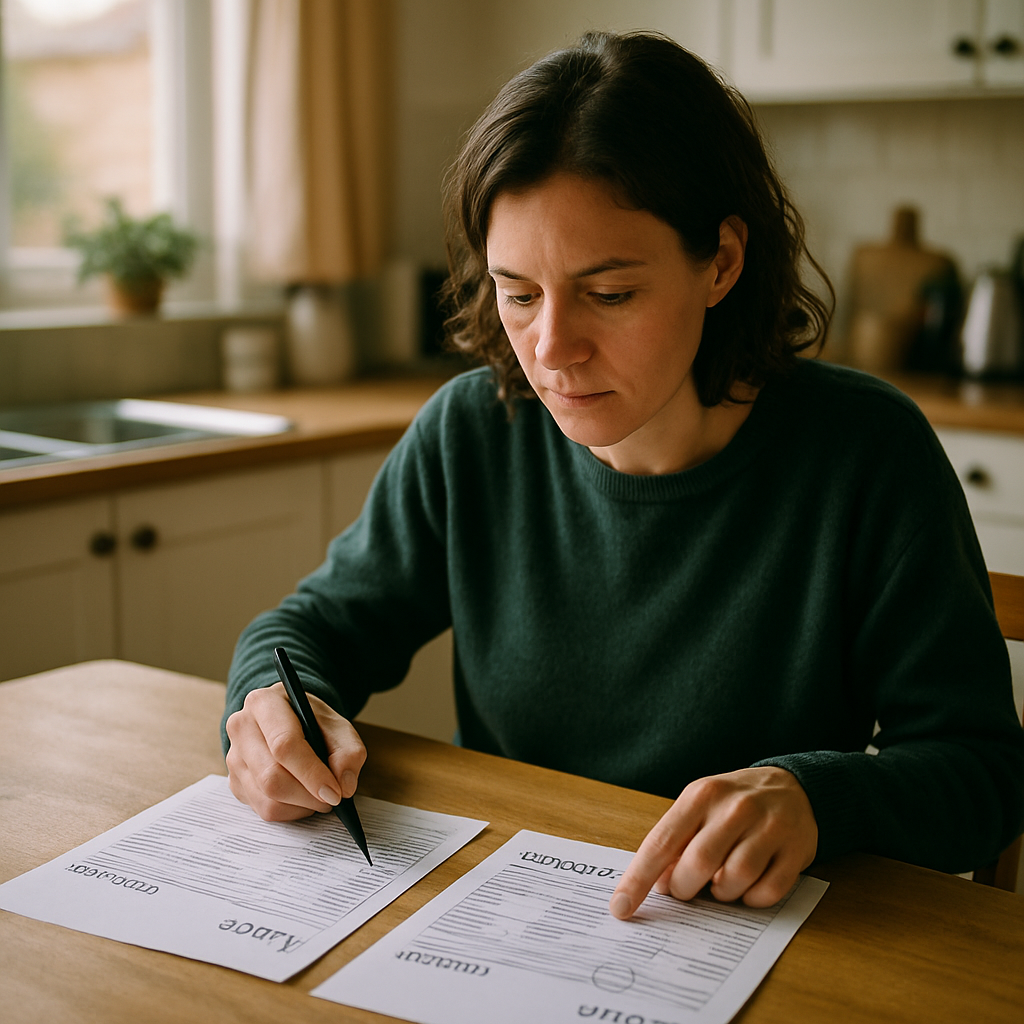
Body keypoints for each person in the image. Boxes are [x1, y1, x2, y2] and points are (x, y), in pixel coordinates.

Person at [222, 31, 1024, 917]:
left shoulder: (866, 453)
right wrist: (273, 711)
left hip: (753, 937)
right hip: (499, 917)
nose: (552, 348)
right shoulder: (471, 434)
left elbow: (982, 773)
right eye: (518, 293)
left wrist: (818, 798)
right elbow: (311, 630)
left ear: (721, 262)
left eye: (609, 294)